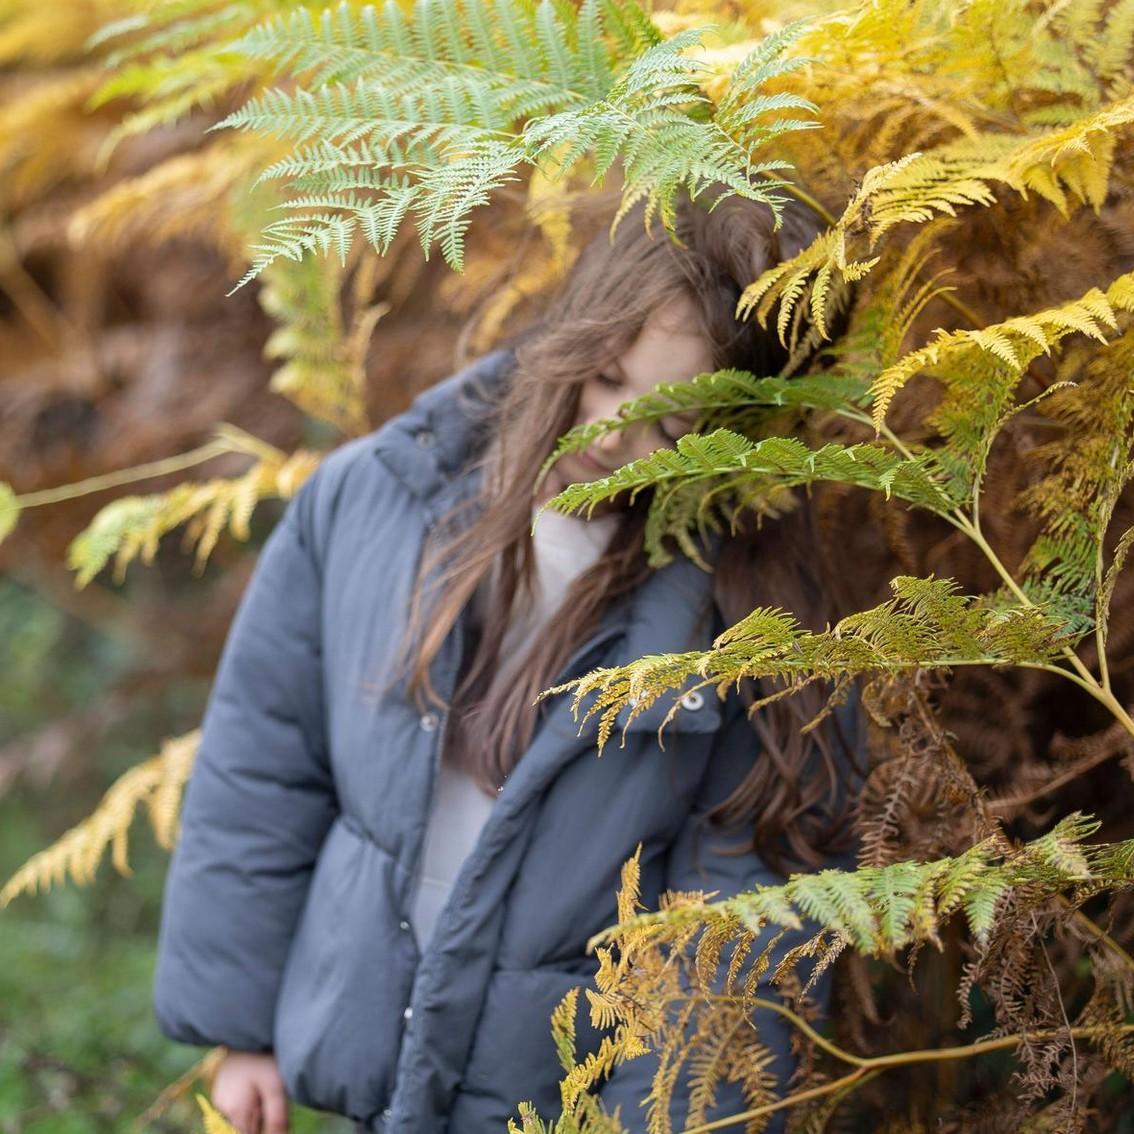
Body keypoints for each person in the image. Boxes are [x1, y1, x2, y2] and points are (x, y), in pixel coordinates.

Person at [152, 183, 860, 1134]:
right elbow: (264, 765)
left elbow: (733, 931)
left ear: (742, 431)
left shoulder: (754, 631)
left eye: (671, 425)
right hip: (367, 1057)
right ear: (575, 326)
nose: (611, 441)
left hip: (564, 1103)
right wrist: (242, 1029)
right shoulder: (376, 501)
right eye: (606, 379)